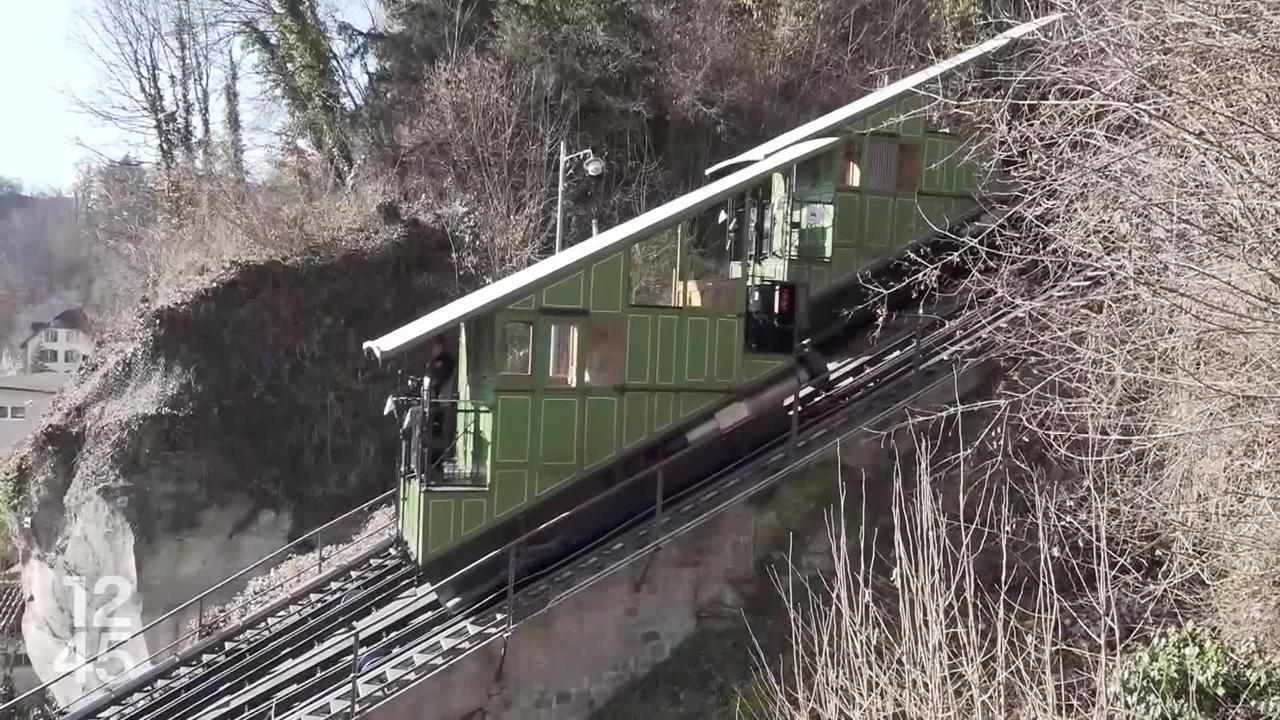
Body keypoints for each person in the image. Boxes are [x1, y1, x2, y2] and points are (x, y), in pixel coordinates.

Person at [424, 339, 457, 473]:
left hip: (440, 403)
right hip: (437, 402)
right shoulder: (440, 362)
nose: (432, 352)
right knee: (433, 432)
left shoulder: (445, 362)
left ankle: (437, 465)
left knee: (437, 433)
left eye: (434, 348)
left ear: (440, 347)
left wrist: (430, 376)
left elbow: (439, 381)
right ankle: (433, 463)